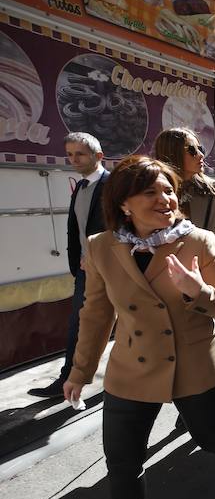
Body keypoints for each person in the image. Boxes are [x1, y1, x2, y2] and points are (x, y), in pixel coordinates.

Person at [62, 156, 215, 499]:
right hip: (132, 366)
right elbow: (95, 315)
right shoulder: (100, 247)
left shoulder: (200, 241)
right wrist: (80, 370)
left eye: (168, 190)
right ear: (125, 203)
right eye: (150, 192)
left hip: (194, 362)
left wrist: (198, 290)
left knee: (211, 436)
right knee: (123, 461)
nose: (165, 198)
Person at [29, 133, 108, 399]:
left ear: (99, 156)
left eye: (80, 154)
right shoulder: (82, 187)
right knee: (79, 326)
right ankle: (68, 379)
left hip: (115, 270)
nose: (73, 159)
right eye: (70, 154)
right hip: (87, 273)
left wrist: (100, 255)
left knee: (133, 325)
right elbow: (77, 230)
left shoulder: (113, 186)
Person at [153, 127, 215, 319]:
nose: (200, 155)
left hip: (209, 285)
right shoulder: (157, 195)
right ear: (172, 154)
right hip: (166, 286)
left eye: (200, 149)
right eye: (191, 150)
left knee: (210, 341)